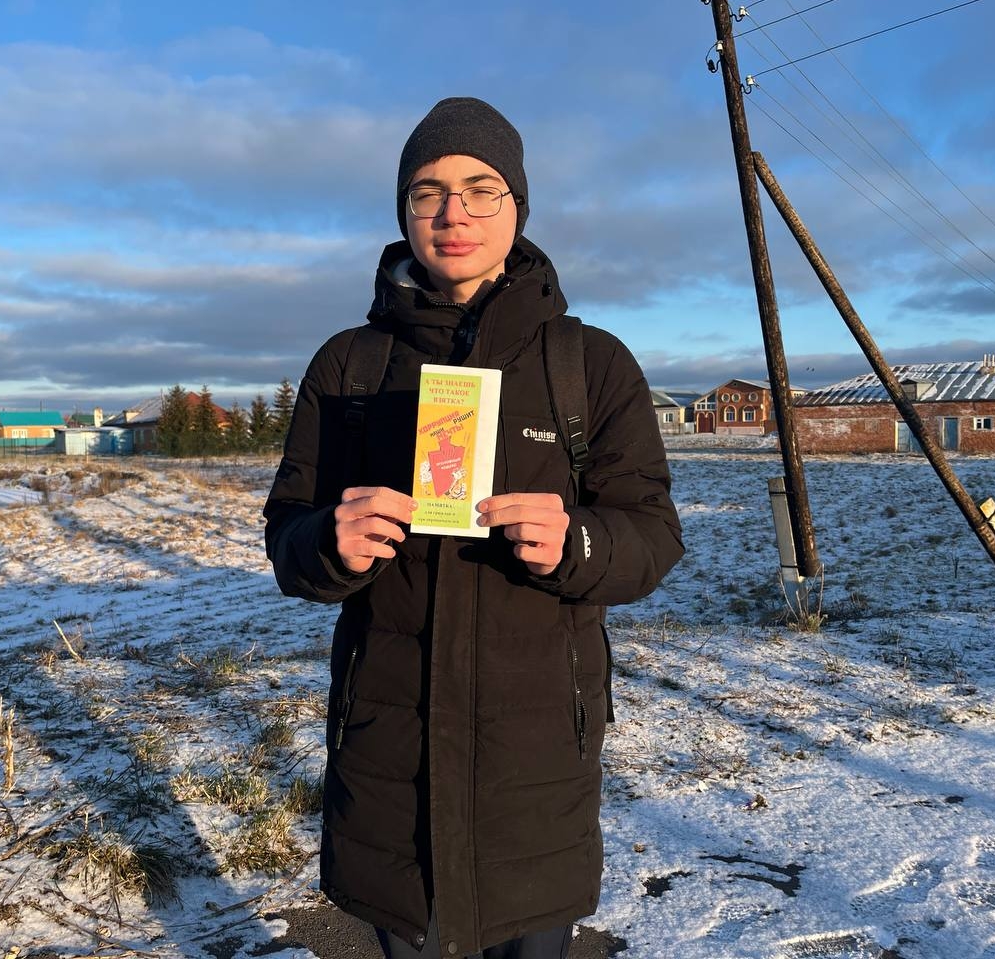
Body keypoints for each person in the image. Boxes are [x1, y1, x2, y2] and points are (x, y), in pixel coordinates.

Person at [264, 97, 683, 959]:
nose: (453, 213)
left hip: (536, 757)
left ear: (518, 205)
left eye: (481, 188)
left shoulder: (588, 364)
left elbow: (652, 535)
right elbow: (288, 536)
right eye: (427, 192)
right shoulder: (349, 366)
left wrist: (579, 543)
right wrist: (328, 545)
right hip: (387, 751)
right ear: (404, 213)